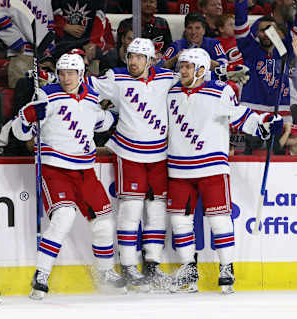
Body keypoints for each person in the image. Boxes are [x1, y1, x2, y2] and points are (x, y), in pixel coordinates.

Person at [166, 48, 283, 293]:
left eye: (187, 66)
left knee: (219, 218)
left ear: (200, 70)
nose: (182, 70)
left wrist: (264, 124)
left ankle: (226, 268)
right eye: (182, 66)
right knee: (179, 220)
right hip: (178, 166)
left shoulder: (219, 91)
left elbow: (240, 116)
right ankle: (189, 269)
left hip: (211, 165)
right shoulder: (171, 91)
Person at [11, 53, 126, 300]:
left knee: (104, 223)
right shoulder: (46, 95)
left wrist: (110, 113)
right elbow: (20, 133)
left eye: (71, 73)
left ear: (81, 74)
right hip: (56, 168)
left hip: (85, 170)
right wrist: (27, 116)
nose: (66, 78)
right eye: (62, 73)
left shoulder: (92, 97)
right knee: (63, 218)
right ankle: (41, 274)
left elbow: (101, 123)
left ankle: (104, 272)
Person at [86, 38, 178, 292]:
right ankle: (127, 265)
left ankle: (152, 264)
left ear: (150, 60)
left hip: (160, 153)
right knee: (131, 208)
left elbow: (192, 81)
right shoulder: (116, 78)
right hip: (129, 153)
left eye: (139, 57)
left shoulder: (166, 78)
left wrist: (223, 74)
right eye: (130, 56)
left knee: (157, 209)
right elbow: (84, 86)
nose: (133, 61)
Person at [234, 0, 297, 153]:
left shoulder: (285, 50)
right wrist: (241, 4)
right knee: (248, 155)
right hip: (251, 111)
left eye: (270, 30)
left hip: (280, 111)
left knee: (278, 156)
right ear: (257, 33)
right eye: (262, 30)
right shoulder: (249, 48)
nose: (266, 33)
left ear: (278, 32)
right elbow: (240, 26)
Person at [0, 0, 54, 88]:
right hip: (22, 56)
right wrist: (16, 43)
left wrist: (48, 52)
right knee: (22, 97)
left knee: (44, 97)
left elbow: (50, 24)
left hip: (43, 58)